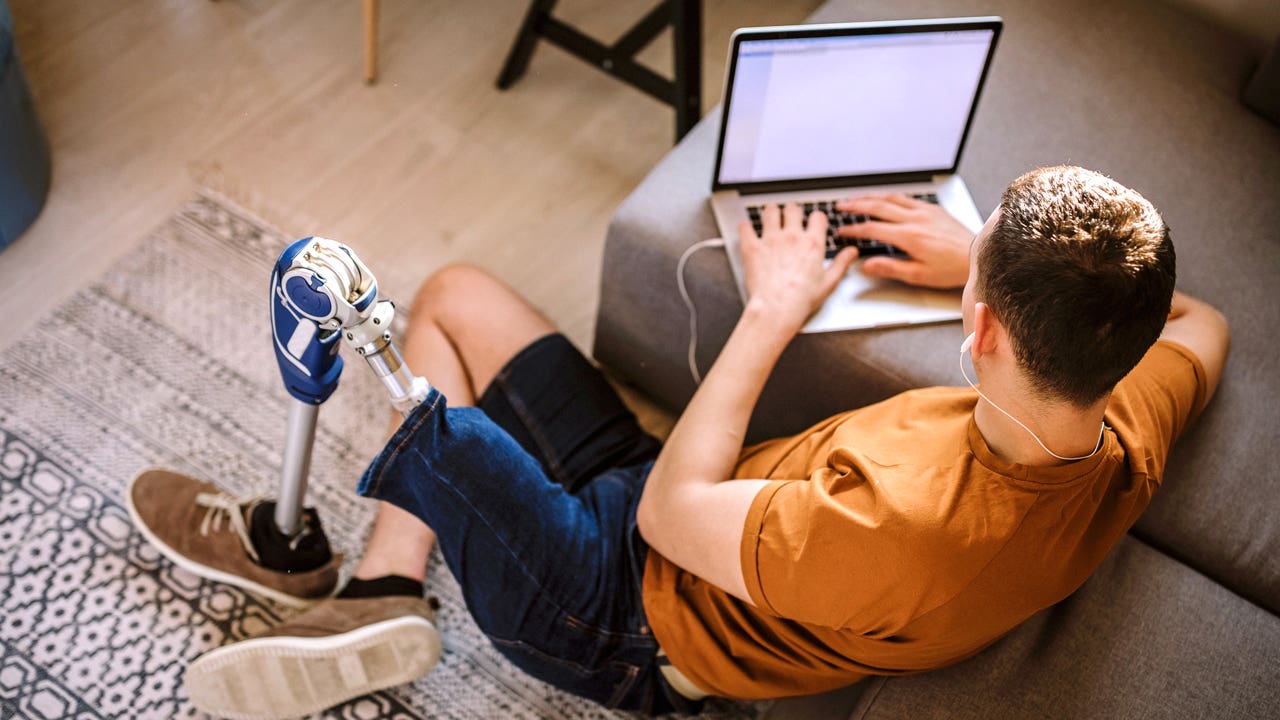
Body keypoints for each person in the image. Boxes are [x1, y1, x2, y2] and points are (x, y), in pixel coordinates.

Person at [128, 165, 1229, 719]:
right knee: (458, 295)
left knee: (434, 416)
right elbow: (1205, 325)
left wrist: (772, 306)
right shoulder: (1122, 437)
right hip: (686, 505)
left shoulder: (893, 521)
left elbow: (664, 520)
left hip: (618, 610)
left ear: (979, 329)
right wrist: (966, 256)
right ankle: (384, 586)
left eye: (971, 272)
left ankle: (368, 579)